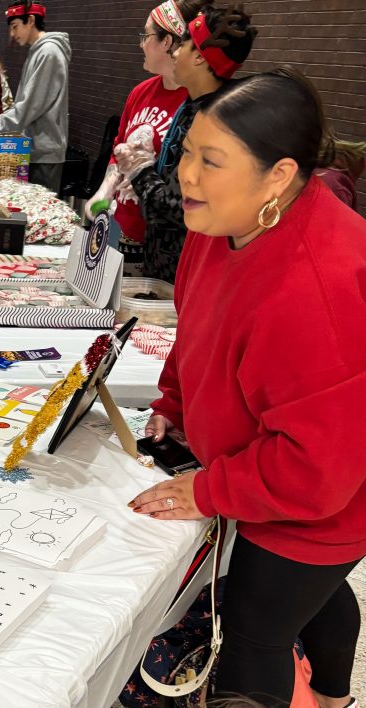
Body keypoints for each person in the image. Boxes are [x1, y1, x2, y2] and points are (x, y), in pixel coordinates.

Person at [128, 67, 366, 707]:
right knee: (312, 598)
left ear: (279, 176)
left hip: (322, 498)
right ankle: (340, 694)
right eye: (186, 153)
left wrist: (209, 489)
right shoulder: (222, 223)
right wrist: (174, 404)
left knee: (257, 633)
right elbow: (198, 328)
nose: (185, 175)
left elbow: (317, 470)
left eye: (212, 161)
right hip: (279, 460)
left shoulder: (315, 289)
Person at [116, 1, 256, 283]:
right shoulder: (193, 105)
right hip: (164, 263)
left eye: (184, 44)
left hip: (184, 269)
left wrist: (140, 171)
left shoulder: (212, 119)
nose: (175, 51)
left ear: (200, 58)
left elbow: (180, 206)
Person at [83, 0, 201, 276]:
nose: (140, 44)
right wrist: (104, 191)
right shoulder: (140, 93)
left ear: (167, 41)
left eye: (145, 36)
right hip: (118, 225)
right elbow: (118, 147)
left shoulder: (193, 103)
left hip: (158, 240)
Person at [0, 1, 71, 192]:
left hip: (44, 154)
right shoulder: (39, 51)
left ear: (30, 20)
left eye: (15, 27)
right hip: (34, 149)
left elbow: (26, 109)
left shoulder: (49, 52)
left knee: (38, 217)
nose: (12, 34)